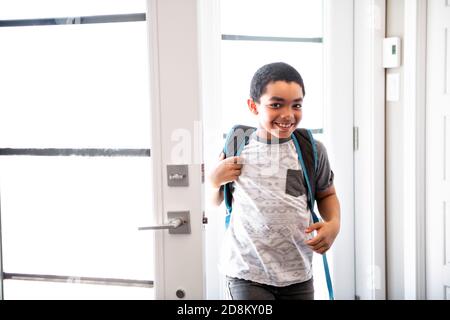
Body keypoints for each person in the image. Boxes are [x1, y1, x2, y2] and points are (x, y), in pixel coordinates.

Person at [207, 62, 341, 300]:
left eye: (296, 105)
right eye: (276, 104)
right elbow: (216, 200)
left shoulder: (311, 149)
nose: (288, 115)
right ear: (253, 106)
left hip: (298, 274)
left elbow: (326, 194)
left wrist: (334, 225)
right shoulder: (238, 145)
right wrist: (214, 180)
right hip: (246, 274)